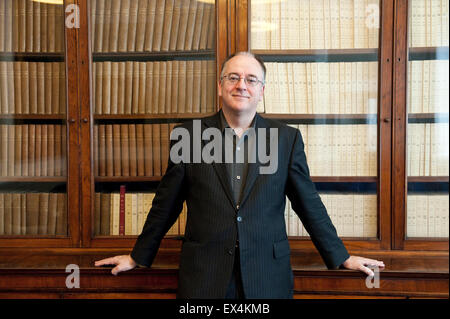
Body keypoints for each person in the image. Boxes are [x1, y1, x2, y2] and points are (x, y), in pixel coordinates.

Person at [95, 51, 385, 298]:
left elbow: (308, 203)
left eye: (250, 79)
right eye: (233, 78)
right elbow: (166, 204)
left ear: (261, 90)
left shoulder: (286, 140)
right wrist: (138, 256)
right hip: (204, 277)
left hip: (266, 276)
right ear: (220, 86)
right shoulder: (189, 136)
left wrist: (341, 257)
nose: (241, 85)